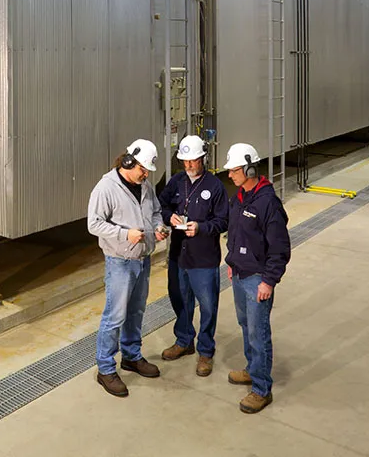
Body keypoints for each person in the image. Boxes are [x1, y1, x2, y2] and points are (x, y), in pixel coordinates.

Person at [87, 138, 169, 398]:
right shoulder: (106, 188)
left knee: (136, 311)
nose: (145, 175)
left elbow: (155, 211)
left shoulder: (145, 185)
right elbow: (94, 224)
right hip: (120, 262)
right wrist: (125, 235)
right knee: (115, 316)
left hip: (143, 260)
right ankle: (105, 368)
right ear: (128, 161)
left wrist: (158, 227)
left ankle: (131, 356)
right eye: (142, 169)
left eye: (147, 171)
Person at [223, 142, 291, 414]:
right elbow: (235, 233)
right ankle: (252, 370)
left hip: (257, 279)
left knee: (258, 332)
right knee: (245, 324)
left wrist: (269, 281)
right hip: (239, 274)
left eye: (235, 170)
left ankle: (262, 388)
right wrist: (231, 261)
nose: (230, 175)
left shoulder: (267, 203)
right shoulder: (239, 197)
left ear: (250, 169)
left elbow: (279, 247)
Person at [157, 135, 228, 377]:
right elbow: (162, 204)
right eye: (185, 161)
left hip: (204, 258)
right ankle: (184, 340)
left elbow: (222, 221)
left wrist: (201, 228)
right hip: (179, 254)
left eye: (193, 161)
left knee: (207, 305)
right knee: (179, 298)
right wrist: (169, 217)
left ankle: (206, 350)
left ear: (203, 159)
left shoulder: (215, 186)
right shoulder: (177, 181)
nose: (188, 166)